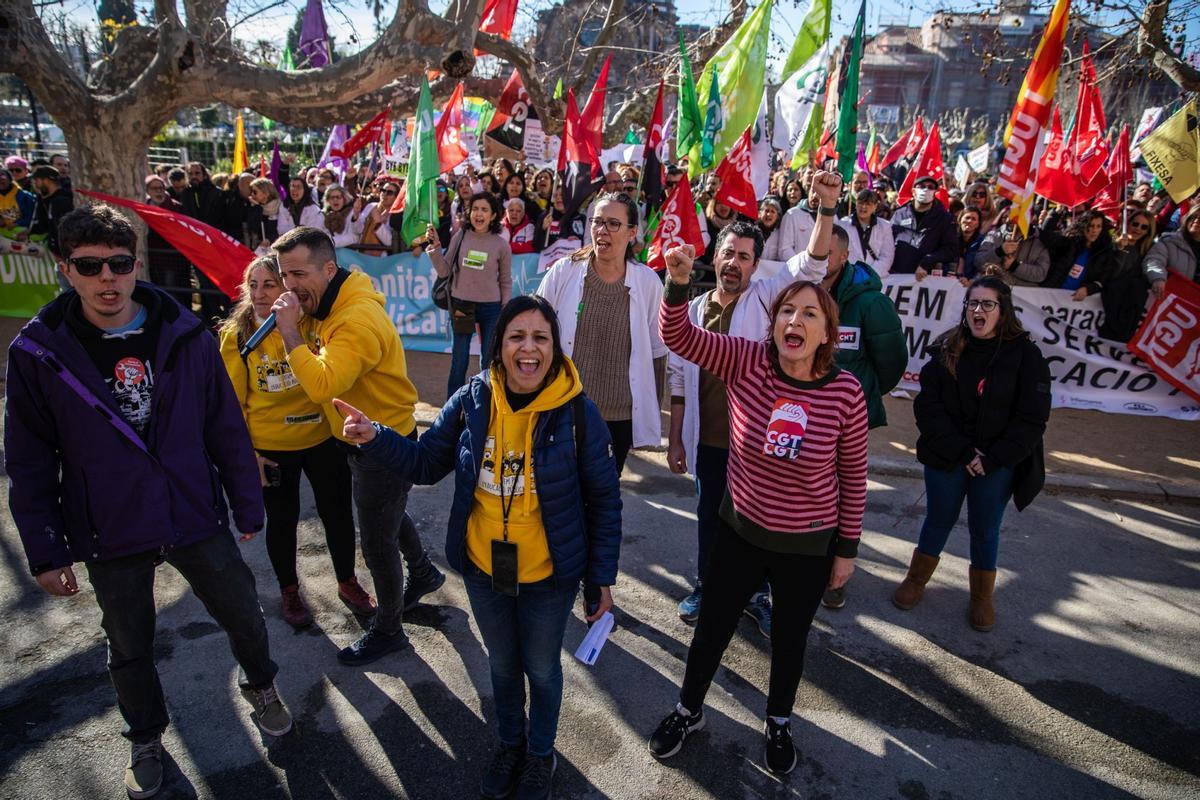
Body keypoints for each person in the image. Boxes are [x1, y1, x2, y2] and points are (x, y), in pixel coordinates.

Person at [5, 204, 291, 799]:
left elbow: (223, 424)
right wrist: (46, 550)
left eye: (118, 263)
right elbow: (29, 463)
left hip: (191, 509)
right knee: (128, 643)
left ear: (135, 264)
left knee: (242, 611)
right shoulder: (39, 352)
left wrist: (247, 502)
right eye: (89, 266)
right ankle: (145, 736)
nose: (106, 278)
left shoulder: (185, 332)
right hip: (110, 523)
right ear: (65, 269)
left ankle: (261, 685)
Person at [336, 294, 622, 800]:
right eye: (517, 337)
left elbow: (603, 499)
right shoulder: (473, 398)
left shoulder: (577, 412)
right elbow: (425, 463)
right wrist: (374, 436)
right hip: (485, 568)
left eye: (540, 338)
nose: (528, 349)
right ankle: (510, 744)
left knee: (542, 668)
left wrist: (601, 579)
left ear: (555, 348)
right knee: (502, 666)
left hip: (548, 576)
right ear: (498, 346)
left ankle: (540, 754)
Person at [649, 239, 868, 775]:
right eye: (786, 311)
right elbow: (677, 335)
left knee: (789, 641)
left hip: (806, 548)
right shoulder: (746, 360)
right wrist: (678, 284)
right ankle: (688, 709)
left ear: (825, 332)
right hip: (740, 532)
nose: (794, 319)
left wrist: (846, 552)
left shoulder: (846, 393)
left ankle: (778, 720)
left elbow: (853, 478)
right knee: (712, 631)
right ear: (772, 325)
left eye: (808, 313)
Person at [269, 227, 446, 665]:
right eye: (282, 275)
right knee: (386, 514)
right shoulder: (329, 301)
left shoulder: (356, 319)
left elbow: (322, 383)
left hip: (382, 445)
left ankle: (388, 630)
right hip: (360, 438)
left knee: (377, 543)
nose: (289, 285)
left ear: (329, 268)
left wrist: (291, 332)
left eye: (298, 273)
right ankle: (423, 573)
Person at [666, 216, 828, 637]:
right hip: (707, 441)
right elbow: (680, 378)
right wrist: (677, 438)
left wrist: (826, 210)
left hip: (754, 447)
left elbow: (810, 265)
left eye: (744, 256)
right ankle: (706, 587)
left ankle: (756, 598)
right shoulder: (696, 309)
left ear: (756, 266)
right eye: (727, 253)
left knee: (756, 528)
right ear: (714, 257)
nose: (734, 263)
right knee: (709, 517)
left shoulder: (767, 300)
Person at [219, 256, 375, 628]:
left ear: (287, 289)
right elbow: (231, 403)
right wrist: (249, 456)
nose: (259, 294)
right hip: (271, 447)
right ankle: (290, 591)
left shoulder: (310, 325)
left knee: (336, 513)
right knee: (282, 521)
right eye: (252, 285)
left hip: (321, 437)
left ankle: (347, 581)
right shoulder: (236, 335)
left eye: (269, 284)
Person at [895, 276, 1051, 632]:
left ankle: (981, 597)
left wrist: (992, 458)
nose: (977, 310)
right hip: (950, 455)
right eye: (972, 304)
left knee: (985, 528)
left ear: (1003, 310)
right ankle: (915, 581)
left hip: (996, 463)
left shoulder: (1027, 356)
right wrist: (964, 451)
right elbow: (929, 408)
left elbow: (1032, 419)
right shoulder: (947, 347)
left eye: (987, 304)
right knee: (939, 518)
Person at [808, 221, 907, 610]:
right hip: (805, 417)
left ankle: (835, 573)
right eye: (816, 250)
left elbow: (893, 360)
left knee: (840, 495)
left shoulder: (869, 303)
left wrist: (861, 398)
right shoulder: (804, 292)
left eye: (828, 252)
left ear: (845, 256)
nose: (821, 258)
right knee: (806, 493)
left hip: (847, 422)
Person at [535, 192, 668, 473]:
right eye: (596, 222)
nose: (601, 230)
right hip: (563, 409)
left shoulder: (648, 284)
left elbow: (657, 353)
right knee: (557, 494)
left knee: (601, 501)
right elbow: (535, 334)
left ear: (633, 233)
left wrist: (648, 413)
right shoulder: (564, 272)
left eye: (612, 224)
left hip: (618, 420)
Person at [427, 191, 514, 398]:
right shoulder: (461, 236)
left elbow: (505, 281)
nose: (479, 214)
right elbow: (445, 271)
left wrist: (505, 309)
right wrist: (435, 250)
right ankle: (452, 407)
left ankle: (485, 403)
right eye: (475, 209)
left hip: (491, 308)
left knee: (488, 361)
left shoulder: (501, 245)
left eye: (484, 209)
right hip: (461, 305)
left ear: (493, 215)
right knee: (460, 360)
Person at [1098, 209, 1157, 341]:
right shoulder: (1110, 242)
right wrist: (1119, 249)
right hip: (1107, 297)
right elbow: (1113, 274)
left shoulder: (1148, 251)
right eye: (1135, 224)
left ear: (1148, 231)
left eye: (1144, 227)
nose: (1138, 229)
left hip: (1127, 308)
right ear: (1127, 223)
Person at [1040, 209, 1119, 300]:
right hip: (1052, 296)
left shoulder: (1103, 252)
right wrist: (1055, 213)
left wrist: (1088, 289)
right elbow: (1046, 236)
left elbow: (1103, 280)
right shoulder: (1069, 243)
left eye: (1098, 226)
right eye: (1091, 226)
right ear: (1083, 226)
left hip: (1077, 303)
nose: (1094, 230)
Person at [890, 175, 958, 276]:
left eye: (930, 187)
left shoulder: (944, 218)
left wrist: (928, 261)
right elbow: (887, 241)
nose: (926, 190)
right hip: (897, 275)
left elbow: (950, 249)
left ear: (935, 192)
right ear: (913, 191)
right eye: (921, 186)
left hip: (926, 277)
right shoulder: (899, 214)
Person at [142, 175, 193, 305]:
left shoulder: (175, 207)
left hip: (172, 259)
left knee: (174, 291)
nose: (158, 191)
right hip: (152, 258)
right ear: (147, 191)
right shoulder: (143, 207)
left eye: (161, 188)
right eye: (154, 188)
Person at [1143, 205, 1199, 298]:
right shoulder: (1169, 241)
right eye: (1193, 217)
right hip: (1168, 301)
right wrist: (1158, 278)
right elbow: (1154, 260)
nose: (1196, 220)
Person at [974, 221, 1051, 287]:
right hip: (993, 288)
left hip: (1024, 295)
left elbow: (1041, 274)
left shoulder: (1039, 243)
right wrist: (999, 251)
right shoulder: (994, 235)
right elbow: (978, 262)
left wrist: (1015, 266)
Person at [841, 187, 895, 277]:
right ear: (856, 204)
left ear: (875, 206)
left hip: (876, 277)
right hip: (849, 276)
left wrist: (869, 274)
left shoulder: (885, 226)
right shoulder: (843, 224)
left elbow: (887, 256)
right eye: (861, 203)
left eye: (868, 204)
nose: (863, 207)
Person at [27, 165, 74, 258]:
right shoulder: (46, 199)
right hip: (58, 255)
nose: (35, 184)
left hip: (67, 256)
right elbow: (43, 225)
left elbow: (65, 232)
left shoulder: (61, 201)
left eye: (36, 181)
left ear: (46, 181)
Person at [0, 166, 36, 236]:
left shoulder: (25, 196)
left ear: (10, 179)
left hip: (23, 233)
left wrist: (16, 224)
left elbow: (31, 218)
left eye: (2, 176)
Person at [954, 207, 985, 281]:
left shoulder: (983, 242)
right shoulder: (949, 239)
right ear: (959, 220)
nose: (969, 221)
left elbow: (983, 268)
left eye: (973, 219)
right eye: (967, 217)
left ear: (977, 224)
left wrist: (972, 281)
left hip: (971, 284)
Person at [757, 196, 785, 263]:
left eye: (773, 211)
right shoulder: (752, 231)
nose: (769, 214)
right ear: (759, 214)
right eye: (766, 211)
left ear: (777, 216)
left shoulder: (780, 234)